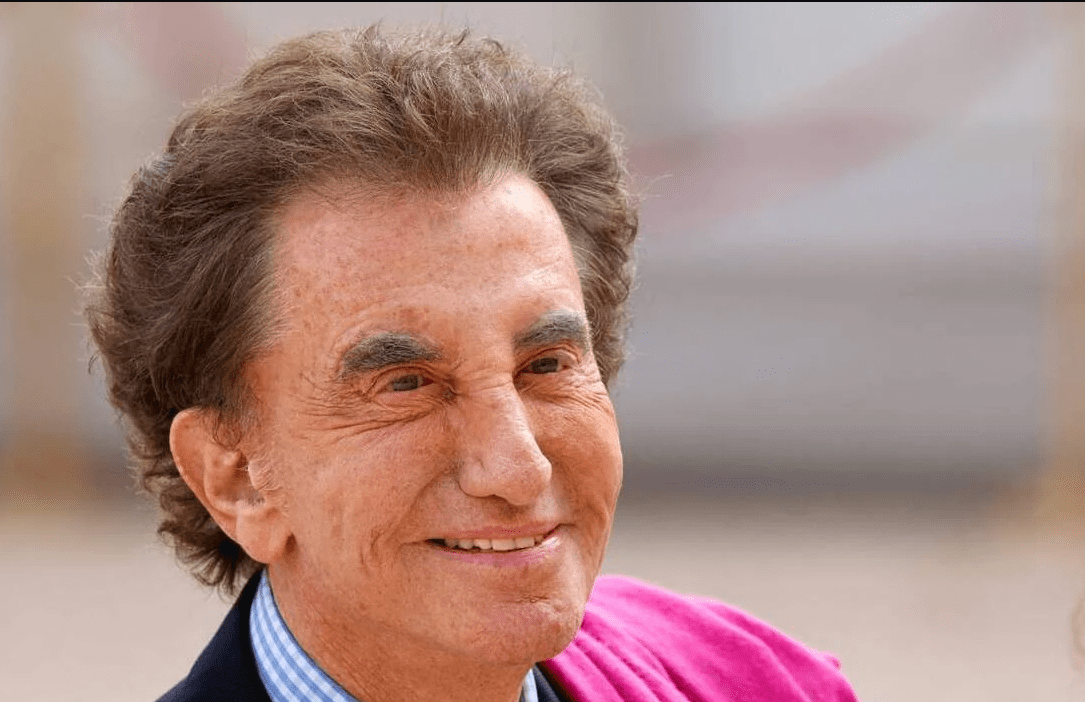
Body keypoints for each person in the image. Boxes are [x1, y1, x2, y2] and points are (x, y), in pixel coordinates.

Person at [84, 25, 858, 702]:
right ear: (237, 477)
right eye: (407, 385)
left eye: (546, 365)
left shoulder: (751, 682)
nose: (517, 468)